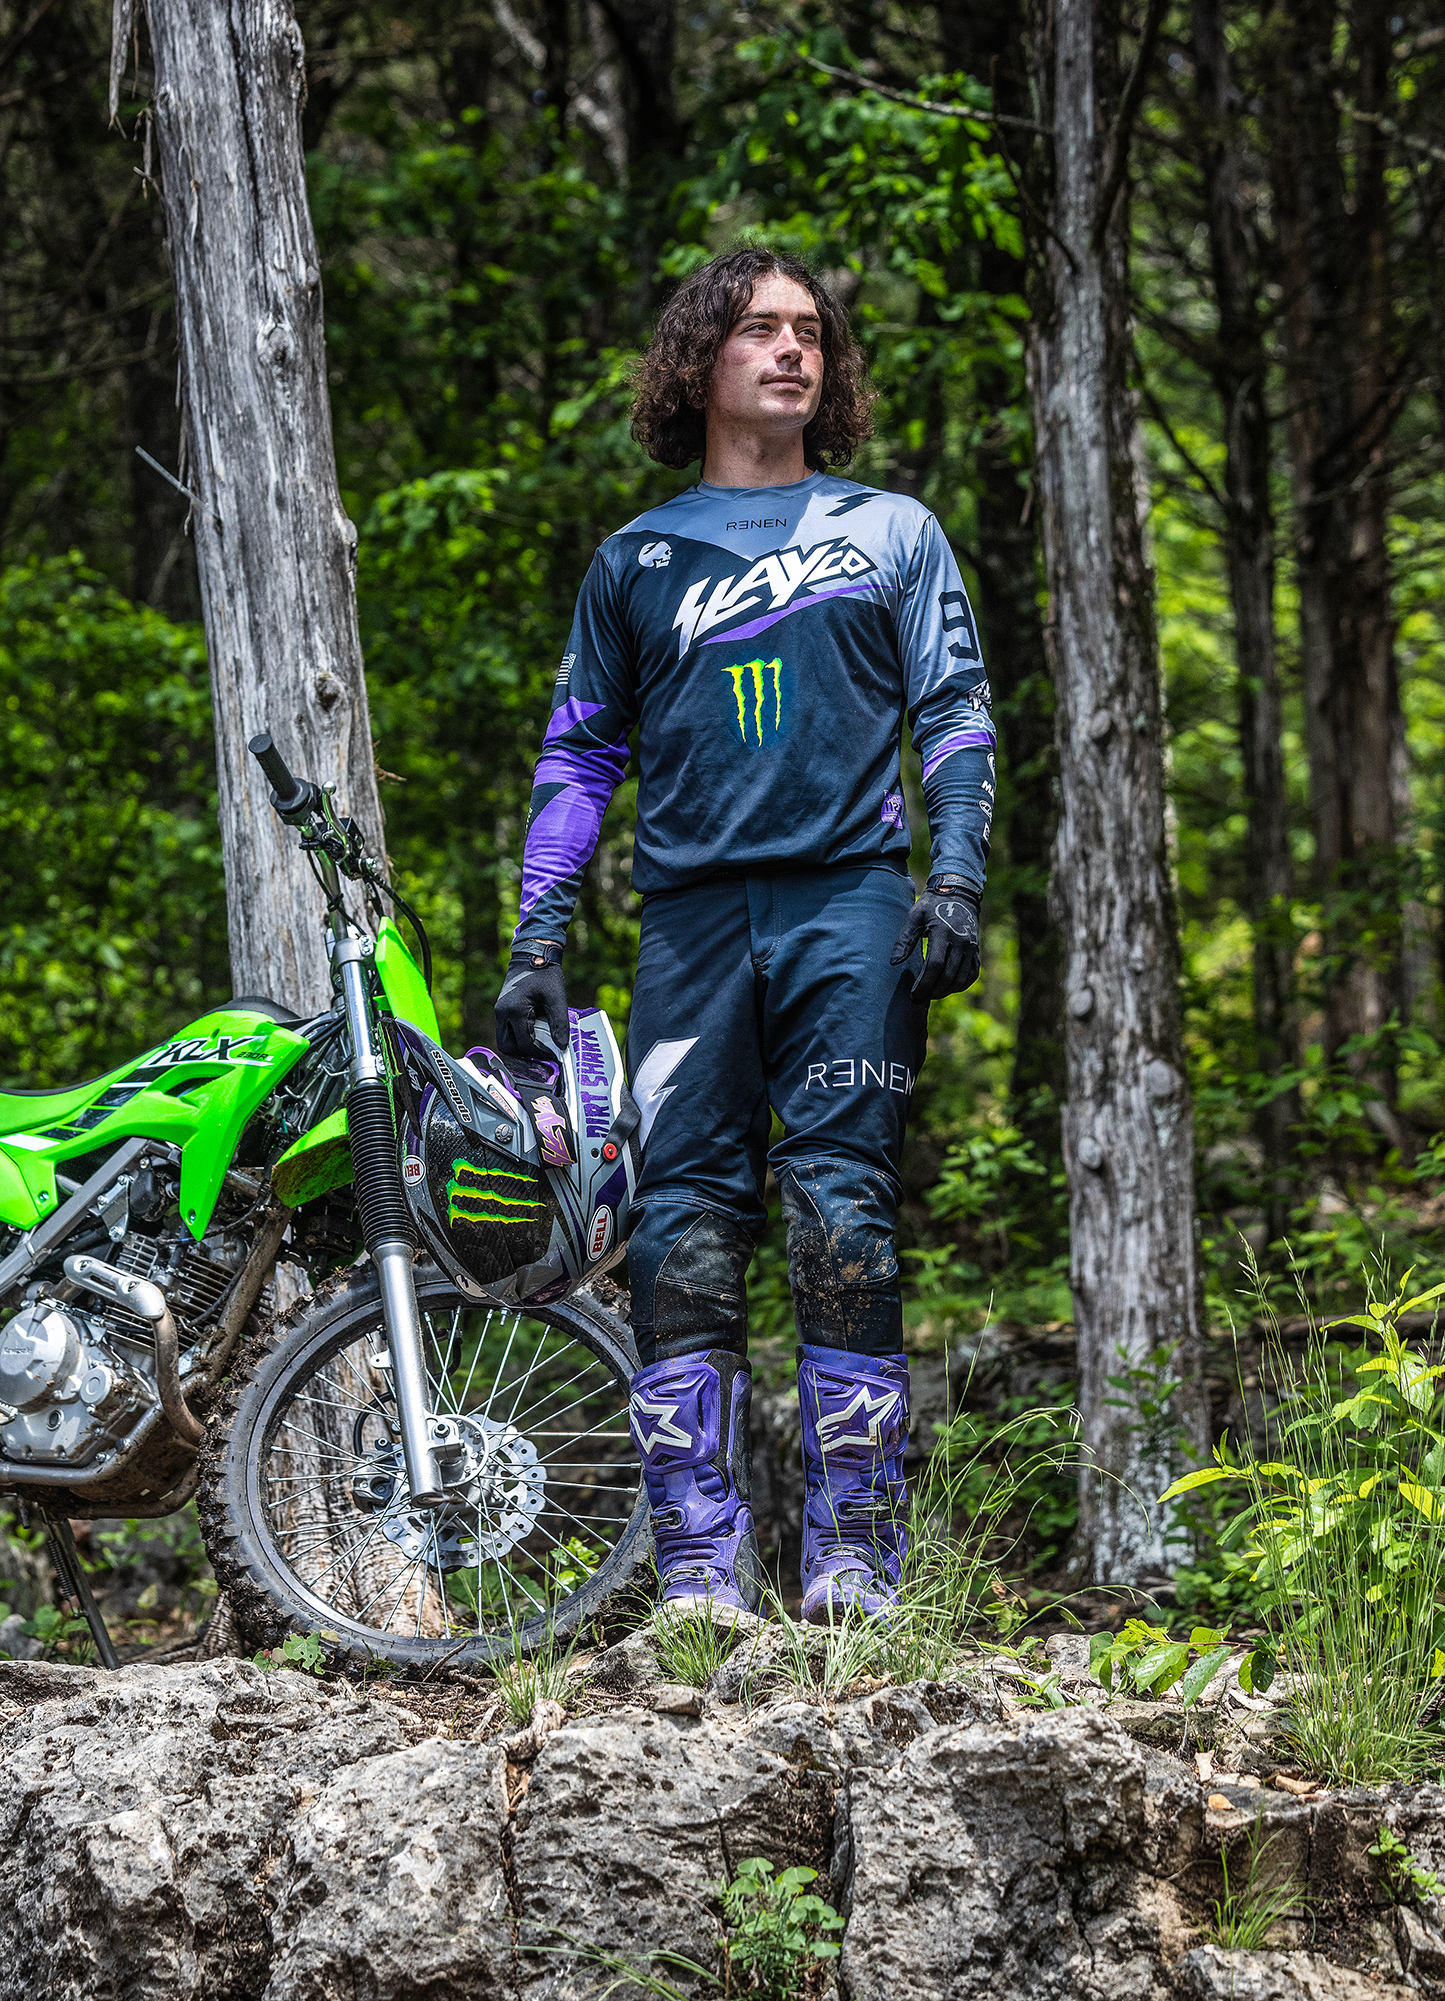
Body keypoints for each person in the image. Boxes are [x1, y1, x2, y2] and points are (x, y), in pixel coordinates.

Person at [495, 248, 995, 1619]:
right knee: (682, 1226)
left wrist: (953, 877)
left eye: (809, 332)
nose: (791, 349)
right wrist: (535, 941)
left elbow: (954, 712)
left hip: (854, 905)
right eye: (759, 329)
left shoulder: (894, 530)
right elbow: (578, 757)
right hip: (695, 926)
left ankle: (854, 1554)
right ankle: (700, 1564)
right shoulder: (636, 561)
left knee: (846, 1213)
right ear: (699, 359)